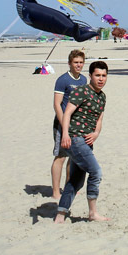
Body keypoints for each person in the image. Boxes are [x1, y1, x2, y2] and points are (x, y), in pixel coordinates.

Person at [55, 60, 109, 224]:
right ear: (91, 76)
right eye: (97, 75)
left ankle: (60, 215)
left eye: (104, 76)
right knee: (96, 172)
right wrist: (65, 134)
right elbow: (67, 113)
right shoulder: (81, 91)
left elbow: (99, 118)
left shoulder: (102, 97)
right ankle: (93, 212)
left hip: (87, 141)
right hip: (75, 138)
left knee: (76, 180)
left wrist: (96, 133)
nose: (101, 79)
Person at [51, 50, 88, 200]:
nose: (78, 65)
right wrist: (64, 125)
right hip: (62, 123)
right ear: (70, 63)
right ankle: (55, 191)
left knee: (73, 157)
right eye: (75, 62)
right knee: (61, 156)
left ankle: (69, 186)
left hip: (77, 123)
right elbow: (57, 104)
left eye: (80, 62)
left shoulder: (84, 80)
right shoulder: (63, 80)